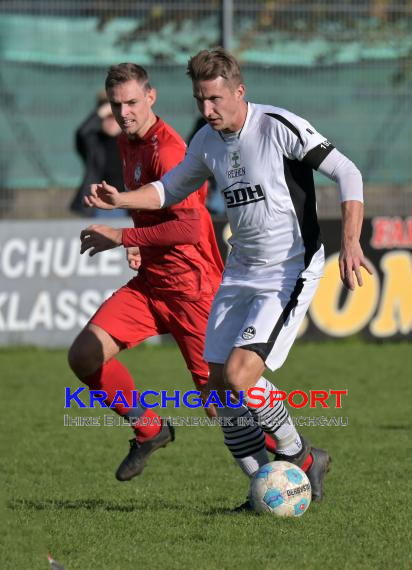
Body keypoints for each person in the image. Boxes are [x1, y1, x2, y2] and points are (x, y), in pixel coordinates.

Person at [82, 48, 373, 509]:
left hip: (288, 268)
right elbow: (166, 190)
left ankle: (300, 456)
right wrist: (121, 197)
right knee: (219, 390)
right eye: (200, 100)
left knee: (238, 377)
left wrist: (352, 241)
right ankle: (264, 490)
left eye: (215, 99)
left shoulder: (277, 126)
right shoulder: (205, 142)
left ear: (239, 91)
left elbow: (347, 171)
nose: (207, 110)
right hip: (239, 271)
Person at [68, 63, 225, 482]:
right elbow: (155, 210)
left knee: (220, 405)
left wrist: (123, 238)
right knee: (85, 354)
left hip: (191, 289)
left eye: (133, 103)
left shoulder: (169, 150)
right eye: (117, 106)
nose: (125, 114)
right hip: (152, 284)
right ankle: (150, 430)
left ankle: (300, 458)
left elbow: (191, 227)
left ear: (151, 97)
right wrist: (139, 241)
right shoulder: (128, 142)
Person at [70, 90, 127, 218]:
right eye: (108, 117)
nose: (112, 121)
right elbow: (82, 132)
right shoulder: (93, 142)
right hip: (98, 206)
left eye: (115, 117)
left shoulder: (130, 142)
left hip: (127, 205)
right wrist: (103, 111)